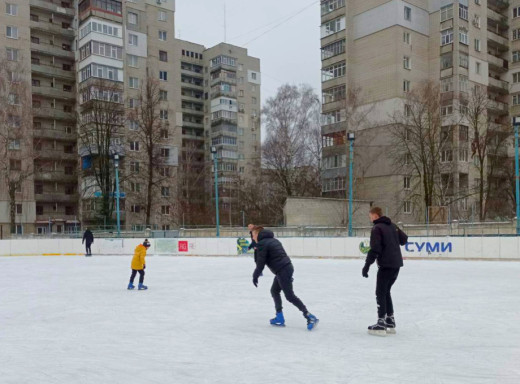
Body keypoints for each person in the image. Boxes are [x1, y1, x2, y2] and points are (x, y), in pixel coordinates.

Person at [252, 226, 318, 331]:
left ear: (258, 234)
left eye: (253, 234)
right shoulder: (273, 240)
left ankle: (309, 316)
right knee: (274, 290)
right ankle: (279, 316)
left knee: (289, 296)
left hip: (282, 270)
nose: (252, 237)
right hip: (285, 268)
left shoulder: (263, 243)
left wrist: (255, 275)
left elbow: (260, 263)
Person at [362, 207, 408, 336]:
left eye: (370, 216)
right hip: (396, 265)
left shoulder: (377, 228)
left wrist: (367, 265)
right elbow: (404, 240)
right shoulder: (392, 226)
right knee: (386, 291)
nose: (370, 218)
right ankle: (390, 320)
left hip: (386, 264)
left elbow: (375, 249)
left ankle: (381, 322)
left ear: (375, 216)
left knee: (380, 292)